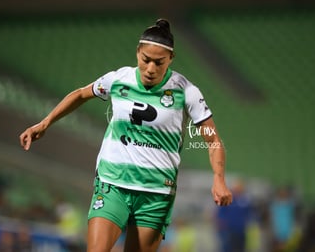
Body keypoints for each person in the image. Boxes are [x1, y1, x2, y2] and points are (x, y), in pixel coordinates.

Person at [19, 18, 233, 252]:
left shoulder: (187, 92)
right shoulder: (119, 79)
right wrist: (45, 123)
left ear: (171, 59)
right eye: (146, 60)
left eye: (159, 62)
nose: (151, 68)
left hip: (155, 194)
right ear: (137, 54)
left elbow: (213, 140)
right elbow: (80, 94)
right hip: (113, 184)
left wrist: (219, 178)